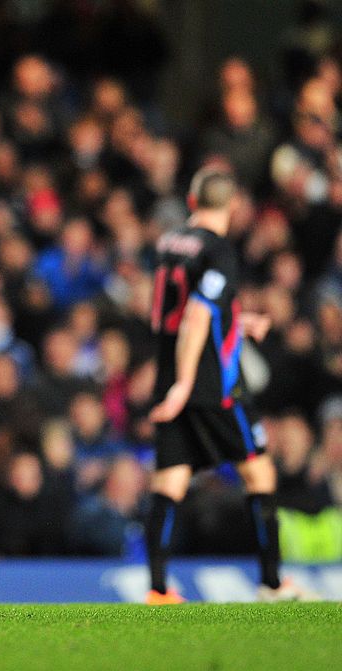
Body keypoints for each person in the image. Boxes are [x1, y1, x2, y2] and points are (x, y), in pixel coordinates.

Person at [147, 169, 309, 604]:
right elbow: (198, 316)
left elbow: (183, 308)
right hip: (209, 383)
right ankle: (272, 583)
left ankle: (159, 589)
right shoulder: (219, 251)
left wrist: (239, 321)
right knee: (259, 473)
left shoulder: (169, 243)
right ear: (233, 206)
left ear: (191, 199)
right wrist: (187, 383)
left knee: (170, 481)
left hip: (167, 376)